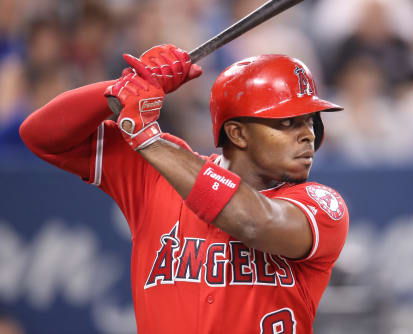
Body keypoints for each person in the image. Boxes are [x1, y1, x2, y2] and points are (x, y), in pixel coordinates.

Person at [20, 44, 349, 334]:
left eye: (311, 121)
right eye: (288, 122)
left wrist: (148, 138)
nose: (308, 134)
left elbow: (252, 221)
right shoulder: (156, 171)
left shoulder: (320, 205)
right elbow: (41, 136)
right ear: (237, 133)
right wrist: (124, 89)